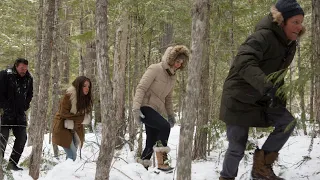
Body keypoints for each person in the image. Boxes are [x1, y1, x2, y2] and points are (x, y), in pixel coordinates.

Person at [219, 0, 305, 179]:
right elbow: (243, 62)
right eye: (295, 22)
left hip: (262, 97)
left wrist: (278, 96)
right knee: (237, 148)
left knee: (287, 123)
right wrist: (267, 87)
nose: (299, 27)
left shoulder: (289, 44)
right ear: (282, 21)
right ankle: (226, 177)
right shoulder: (262, 36)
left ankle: (261, 168)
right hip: (238, 97)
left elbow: (278, 74)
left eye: (301, 22)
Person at [133, 45, 189, 171]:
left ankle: (141, 169)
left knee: (151, 141)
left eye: (181, 62)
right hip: (145, 107)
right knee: (164, 127)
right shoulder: (155, 69)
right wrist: (136, 108)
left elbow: (168, 99)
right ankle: (162, 162)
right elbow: (141, 87)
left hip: (155, 110)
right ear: (171, 58)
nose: (179, 64)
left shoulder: (172, 77)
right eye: (177, 61)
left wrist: (170, 115)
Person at [0, 58, 33, 171]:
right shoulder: (5, 75)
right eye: (22, 68)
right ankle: (0, 164)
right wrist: (4, 107)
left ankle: (12, 164)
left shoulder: (29, 78)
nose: (24, 70)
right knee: (2, 139)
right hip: (5, 114)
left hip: (19, 115)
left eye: (26, 68)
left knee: (22, 138)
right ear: (16, 66)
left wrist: (25, 105)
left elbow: (30, 94)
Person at [52, 76, 92, 161]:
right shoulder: (69, 96)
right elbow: (63, 113)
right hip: (62, 126)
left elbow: (85, 115)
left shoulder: (85, 99)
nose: (87, 88)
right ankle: (63, 173)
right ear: (79, 85)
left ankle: (66, 173)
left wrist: (80, 119)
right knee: (72, 155)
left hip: (76, 128)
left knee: (72, 156)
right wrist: (81, 118)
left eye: (88, 86)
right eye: (84, 86)